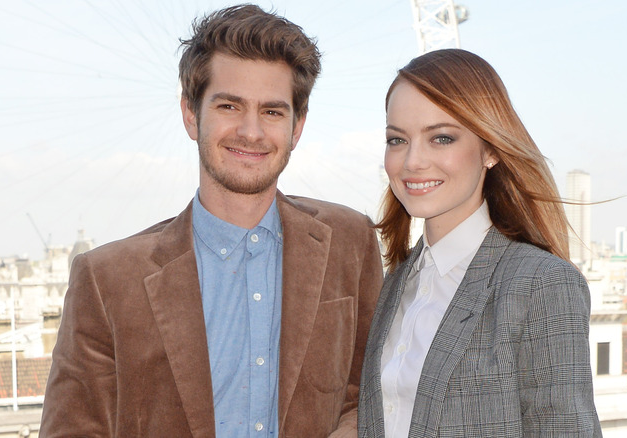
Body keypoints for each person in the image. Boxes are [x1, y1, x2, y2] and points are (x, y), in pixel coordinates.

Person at [40, 5, 383, 437]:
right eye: (229, 106)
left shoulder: (350, 242)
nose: (252, 131)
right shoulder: (107, 280)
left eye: (273, 111)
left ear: (297, 127)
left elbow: (374, 389)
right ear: (190, 114)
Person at [358, 49, 602, 437]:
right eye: (397, 140)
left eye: (441, 138)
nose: (413, 161)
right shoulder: (396, 284)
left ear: (489, 149)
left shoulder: (541, 284)